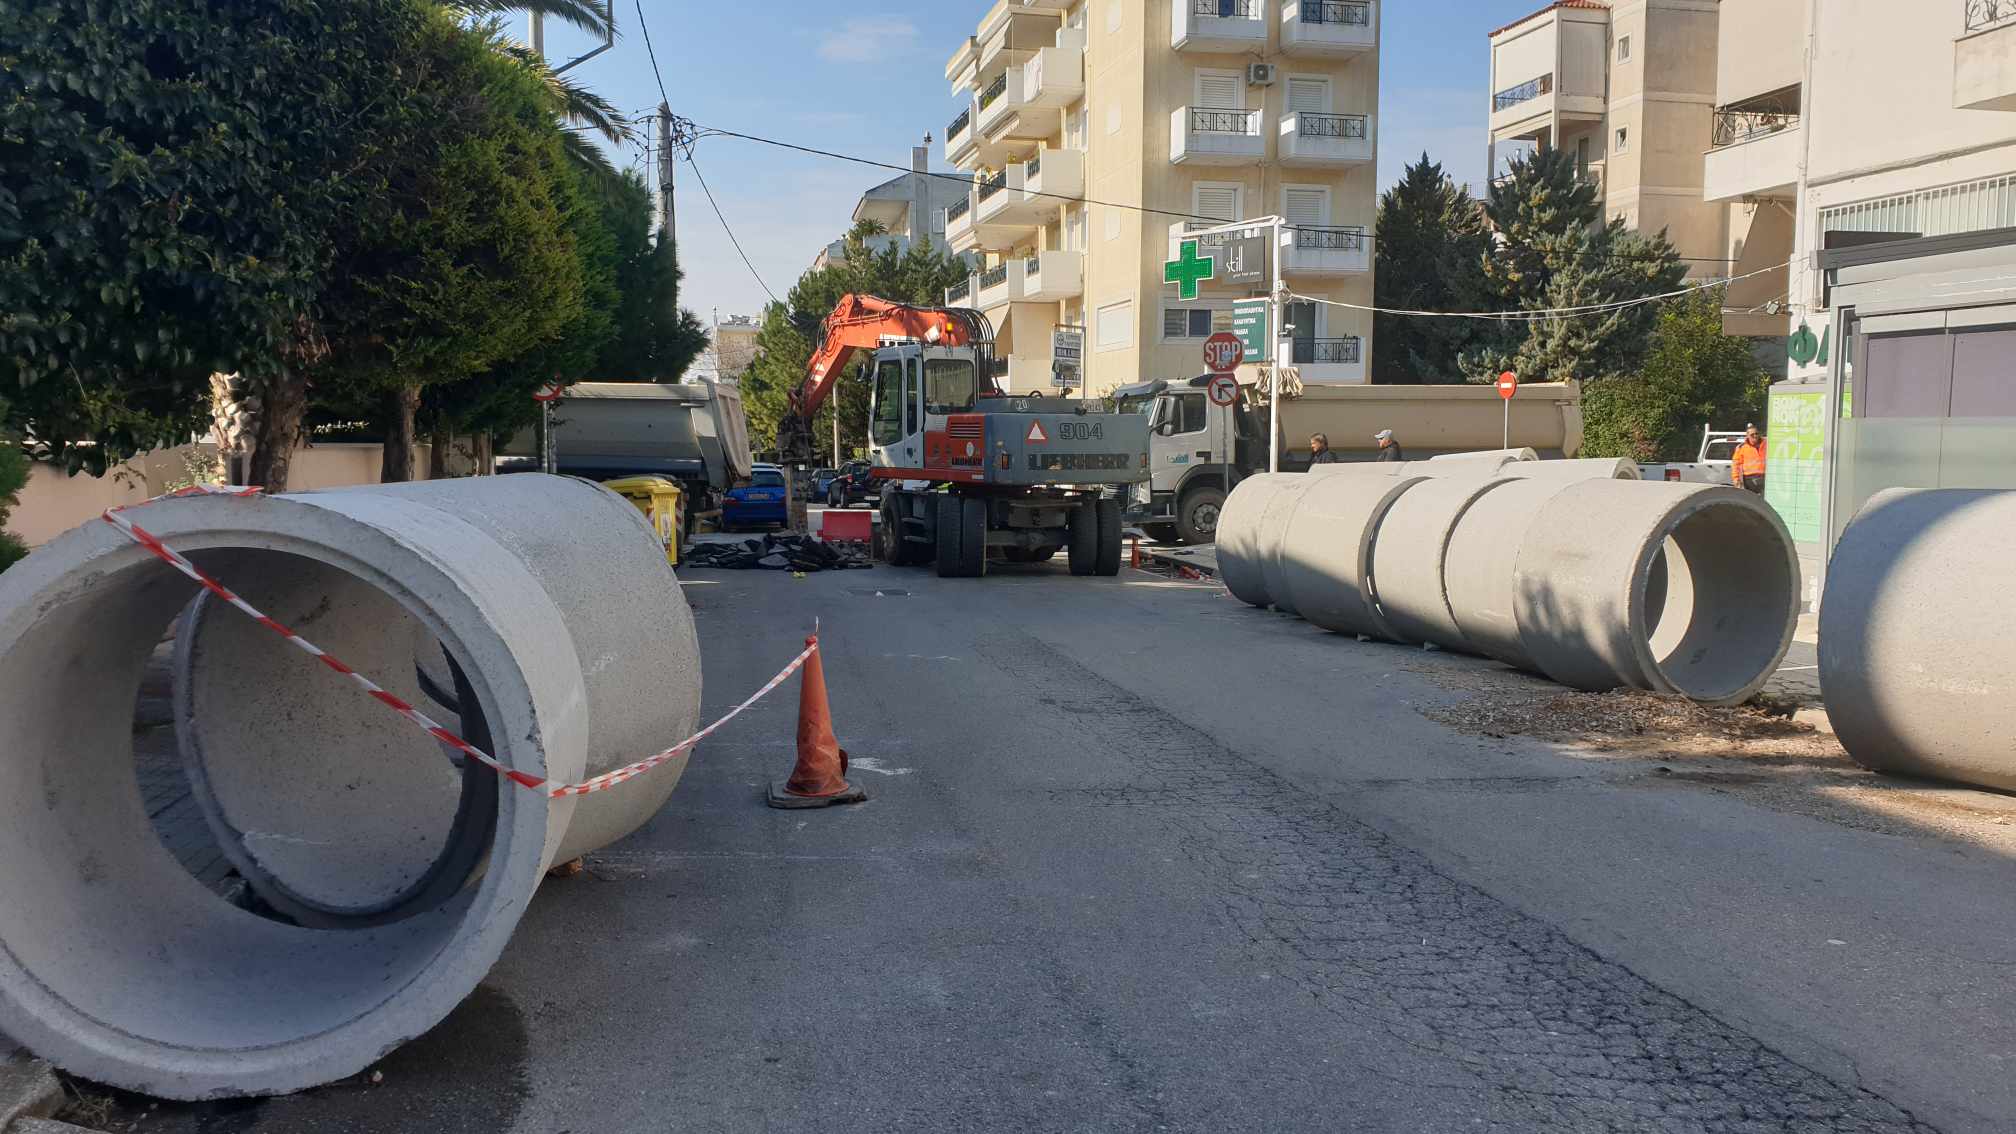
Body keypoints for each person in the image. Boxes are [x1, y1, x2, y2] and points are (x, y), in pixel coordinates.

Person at [1731, 424, 1766, 494]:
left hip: (1766, 477)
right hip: (1749, 479)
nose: (1755, 436)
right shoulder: (1741, 447)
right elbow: (1735, 464)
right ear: (1747, 436)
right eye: (1752, 434)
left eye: (1756, 433)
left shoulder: (1767, 444)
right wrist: (1736, 479)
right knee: (1751, 499)